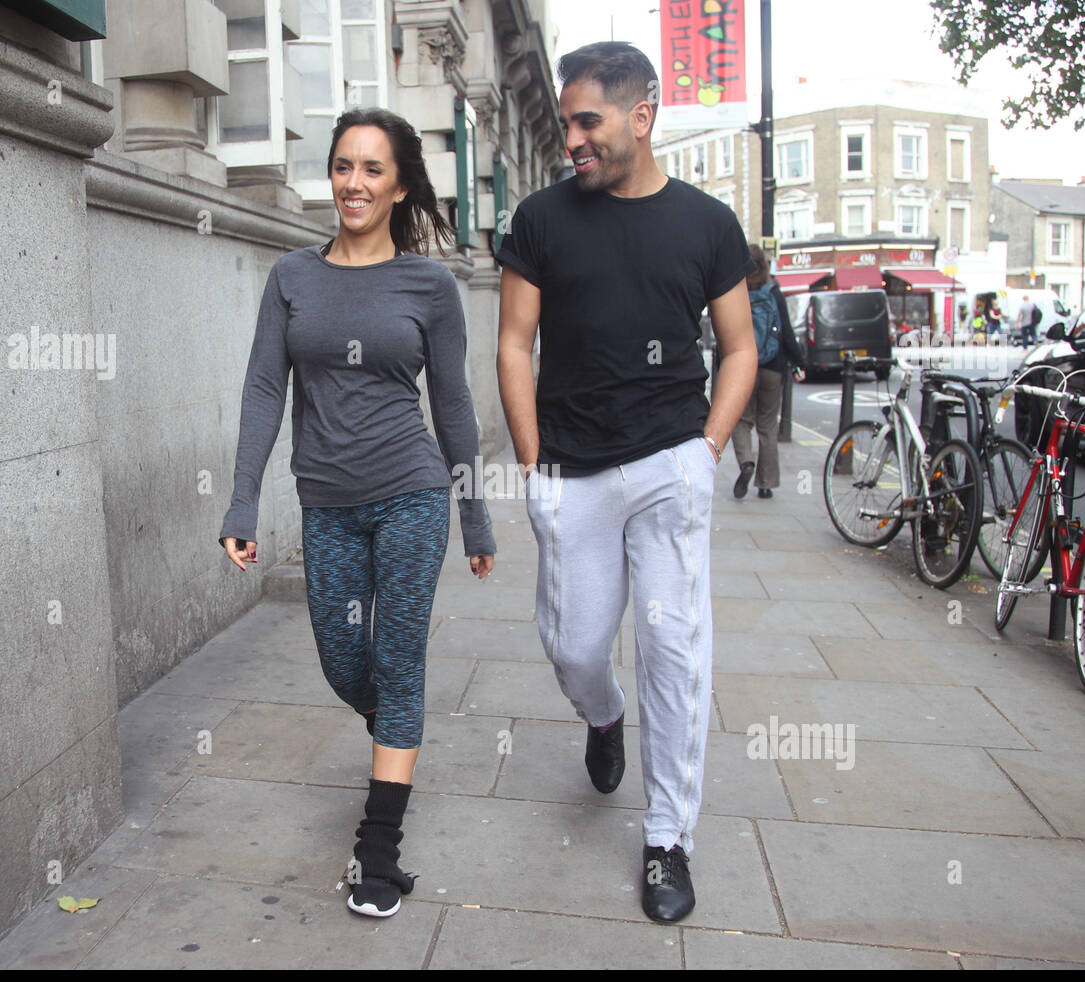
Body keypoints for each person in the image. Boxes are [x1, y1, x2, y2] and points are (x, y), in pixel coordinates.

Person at [495, 41, 758, 924]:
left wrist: (707, 450)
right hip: (571, 467)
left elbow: (740, 348)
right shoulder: (540, 219)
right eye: (567, 121)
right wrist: (532, 464)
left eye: (586, 121)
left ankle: (667, 837)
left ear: (641, 117)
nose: (572, 137)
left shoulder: (707, 224)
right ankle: (603, 718)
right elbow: (512, 343)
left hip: (668, 464)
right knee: (574, 645)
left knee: (675, 652)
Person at [218, 108, 496, 919]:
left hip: (412, 494)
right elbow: (265, 386)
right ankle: (395, 731)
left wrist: (474, 516)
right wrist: (241, 498)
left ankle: (378, 855)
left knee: (400, 660)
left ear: (399, 184)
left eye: (373, 169)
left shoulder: (429, 285)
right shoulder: (292, 278)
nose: (354, 183)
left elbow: (452, 402)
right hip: (327, 503)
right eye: (343, 166)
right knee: (347, 664)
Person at [731, 244, 807, 499]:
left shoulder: (735, 292)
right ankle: (766, 484)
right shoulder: (774, 293)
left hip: (743, 367)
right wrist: (798, 364)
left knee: (741, 420)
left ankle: (745, 463)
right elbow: (786, 332)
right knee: (767, 426)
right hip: (773, 368)